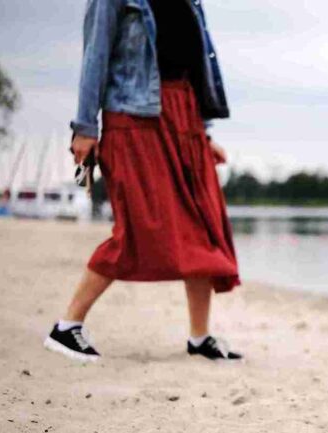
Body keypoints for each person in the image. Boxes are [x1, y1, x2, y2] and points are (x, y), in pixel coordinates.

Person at [44, 0, 242, 362]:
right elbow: (95, 56)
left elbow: (191, 65)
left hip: (185, 119)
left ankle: (200, 337)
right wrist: (85, 128)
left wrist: (203, 132)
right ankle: (67, 327)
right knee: (138, 228)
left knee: (204, 226)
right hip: (135, 119)